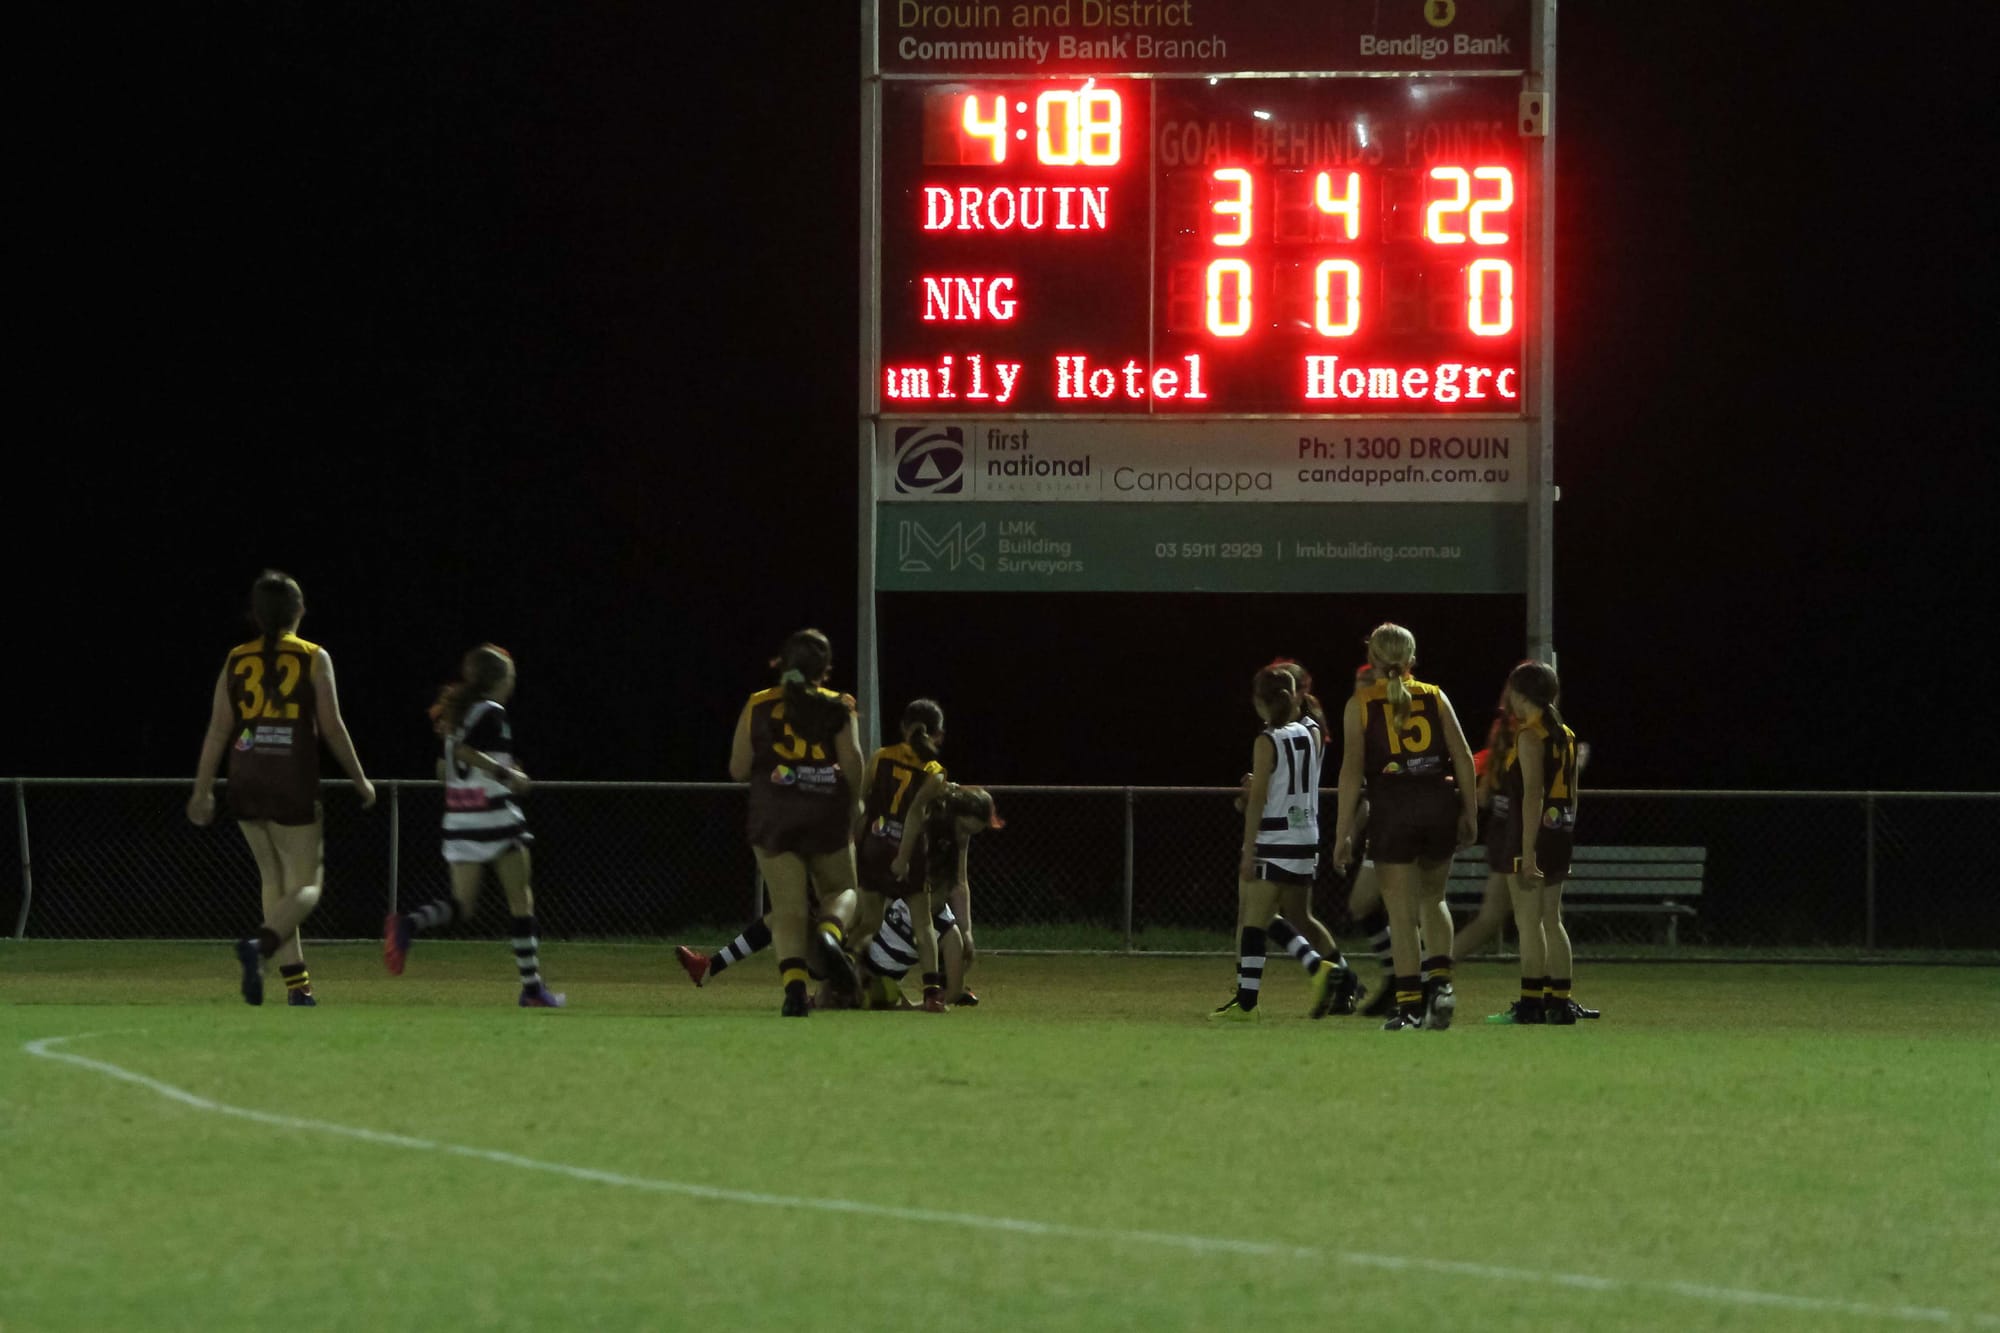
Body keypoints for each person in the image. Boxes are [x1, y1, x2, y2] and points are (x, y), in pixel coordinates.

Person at [187, 570, 374, 1006]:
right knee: (307, 885)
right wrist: (361, 779)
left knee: (272, 879)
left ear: (254, 615)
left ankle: (297, 986)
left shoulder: (237, 658)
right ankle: (261, 945)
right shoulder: (312, 655)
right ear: (300, 611)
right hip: (291, 778)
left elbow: (218, 730)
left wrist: (202, 790)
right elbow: (332, 727)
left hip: (246, 775)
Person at [382, 645, 565, 1007]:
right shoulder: (493, 713)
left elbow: (442, 770)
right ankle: (531, 990)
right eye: (510, 675)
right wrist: (507, 775)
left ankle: (408, 924)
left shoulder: (459, 716)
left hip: (460, 819)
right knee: (521, 902)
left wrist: (497, 772)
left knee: (462, 905)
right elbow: (467, 753)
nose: (513, 682)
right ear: (498, 680)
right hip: (494, 817)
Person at [1333, 623, 1478, 1031]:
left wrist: (1343, 832)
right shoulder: (1435, 696)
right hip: (1437, 805)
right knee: (1434, 900)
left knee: (1400, 914)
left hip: (1392, 809)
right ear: (1412, 660)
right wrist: (1470, 812)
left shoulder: (1359, 703)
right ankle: (1443, 987)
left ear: (1372, 659)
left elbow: (1350, 773)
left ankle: (1411, 1006)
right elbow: (1464, 757)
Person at [728, 628, 867, 1017]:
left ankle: (793, 992)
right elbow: (854, 764)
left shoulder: (758, 702)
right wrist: (857, 803)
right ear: (825, 668)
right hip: (826, 812)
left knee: (788, 909)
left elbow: (738, 769)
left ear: (782, 662)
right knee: (843, 890)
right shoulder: (838, 705)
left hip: (774, 815)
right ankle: (830, 933)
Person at [1213, 665, 1364, 1021]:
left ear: (1259, 702)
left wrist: (1248, 849)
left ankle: (1251, 1000)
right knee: (1297, 916)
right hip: (1305, 834)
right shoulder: (1311, 732)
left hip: (1276, 834)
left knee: (1254, 919)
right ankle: (1344, 979)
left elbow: (1260, 799)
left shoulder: (1268, 739)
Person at [1484, 661, 1587, 1025]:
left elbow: (1533, 796)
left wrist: (1527, 852)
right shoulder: (1567, 734)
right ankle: (1559, 1002)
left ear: (1522, 694)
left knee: (1529, 923)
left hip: (1530, 835)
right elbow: (1571, 794)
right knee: (1551, 920)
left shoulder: (1530, 736)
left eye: (1512, 690)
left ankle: (1530, 1004)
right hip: (1560, 834)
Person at [864, 783, 1001, 1009]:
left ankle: (932, 999)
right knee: (878, 986)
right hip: (907, 911)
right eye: (965, 829)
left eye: (972, 832)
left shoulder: (959, 838)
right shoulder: (925, 825)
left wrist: (967, 930)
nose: (966, 836)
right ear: (954, 814)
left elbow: (960, 883)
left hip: (938, 915)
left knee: (963, 958)